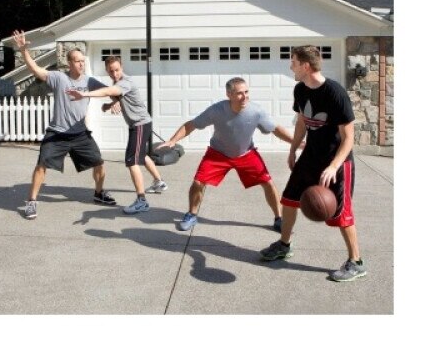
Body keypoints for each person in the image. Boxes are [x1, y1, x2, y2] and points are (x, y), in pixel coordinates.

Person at [259, 45, 366, 282]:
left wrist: (334, 166)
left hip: (336, 161)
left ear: (306, 66)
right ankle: (284, 245)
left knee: (342, 213)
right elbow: (301, 122)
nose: (291, 67)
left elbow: (349, 138)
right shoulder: (300, 89)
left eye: (293, 62)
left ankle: (356, 262)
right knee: (289, 199)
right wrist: (292, 149)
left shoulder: (335, 93)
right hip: (310, 156)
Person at [156, 77, 297, 232]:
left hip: (246, 154)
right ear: (229, 94)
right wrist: (173, 140)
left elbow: (275, 129)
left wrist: (296, 142)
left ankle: (279, 219)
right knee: (198, 182)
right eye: (239, 93)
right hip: (218, 154)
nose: (244, 96)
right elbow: (192, 124)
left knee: (268, 183)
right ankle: (191, 214)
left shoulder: (256, 111)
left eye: (246, 92)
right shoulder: (217, 110)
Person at [12, 30, 116, 220]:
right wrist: (24, 51)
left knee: (99, 163)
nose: (81, 64)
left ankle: (99, 193)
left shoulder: (89, 81)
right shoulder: (59, 78)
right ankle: (32, 201)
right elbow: (36, 69)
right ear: (69, 63)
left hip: (80, 134)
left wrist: (115, 101)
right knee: (41, 165)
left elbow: (110, 91)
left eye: (83, 61)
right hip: (57, 134)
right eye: (77, 61)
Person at [66, 56, 166, 215]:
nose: (114, 74)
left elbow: (109, 91)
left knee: (132, 161)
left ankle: (142, 201)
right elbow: (117, 96)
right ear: (107, 71)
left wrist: (84, 94)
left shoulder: (125, 82)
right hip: (140, 124)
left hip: (140, 124)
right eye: (111, 71)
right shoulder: (118, 82)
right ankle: (159, 182)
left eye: (117, 70)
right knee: (141, 155)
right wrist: (109, 105)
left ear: (122, 67)